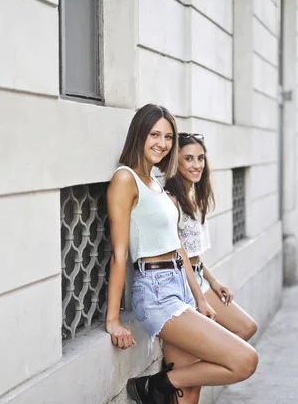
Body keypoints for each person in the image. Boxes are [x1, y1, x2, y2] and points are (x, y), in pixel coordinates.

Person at [105, 104, 258, 404]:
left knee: (189, 393)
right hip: (157, 293)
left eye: (168, 137)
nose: (162, 143)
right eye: (154, 135)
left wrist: (201, 298)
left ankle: (163, 386)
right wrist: (113, 319)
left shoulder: (156, 184)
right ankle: (156, 385)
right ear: (139, 134)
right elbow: (119, 254)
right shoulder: (125, 179)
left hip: (181, 287)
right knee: (245, 360)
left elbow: (179, 247)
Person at [163, 133, 259, 403]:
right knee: (191, 390)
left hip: (198, 278)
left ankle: (172, 380)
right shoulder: (171, 199)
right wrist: (200, 298)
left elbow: (194, 255)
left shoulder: (195, 194)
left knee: (245, 327)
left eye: (201, 158)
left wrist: (213, 281)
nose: (196, 165)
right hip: (181, 286)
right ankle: (170, 382)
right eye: (188, 159)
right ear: (175, 163)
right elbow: (178, 251)